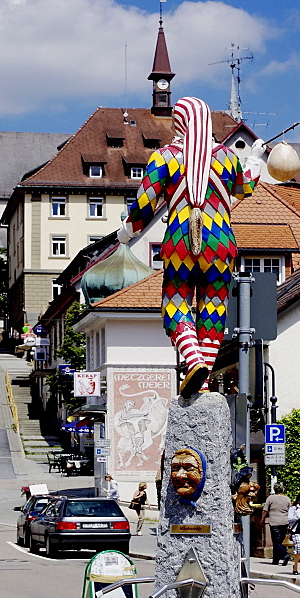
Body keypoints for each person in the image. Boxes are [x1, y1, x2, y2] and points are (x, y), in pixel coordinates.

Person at [117, 97, 261, 398]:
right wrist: (255, 162)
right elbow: (244, 188)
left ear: (179, 123)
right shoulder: (225, 157)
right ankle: (204, 380)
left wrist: (127, 231)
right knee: (213, 307)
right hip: (220, 242)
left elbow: (145, 205)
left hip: (180, 241)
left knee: (176, 301)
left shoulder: (165, 157)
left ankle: (193, 359)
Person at [261, 482, 292, 566]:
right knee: (280, 541)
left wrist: (262, 518)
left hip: (274, 522)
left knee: (276, 542)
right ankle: (276, 560)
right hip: (285, 522)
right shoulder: (287, 499)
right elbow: (290, 511)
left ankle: (285, 554)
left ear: (274, 489)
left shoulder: (271, 498)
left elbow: (265, 510)